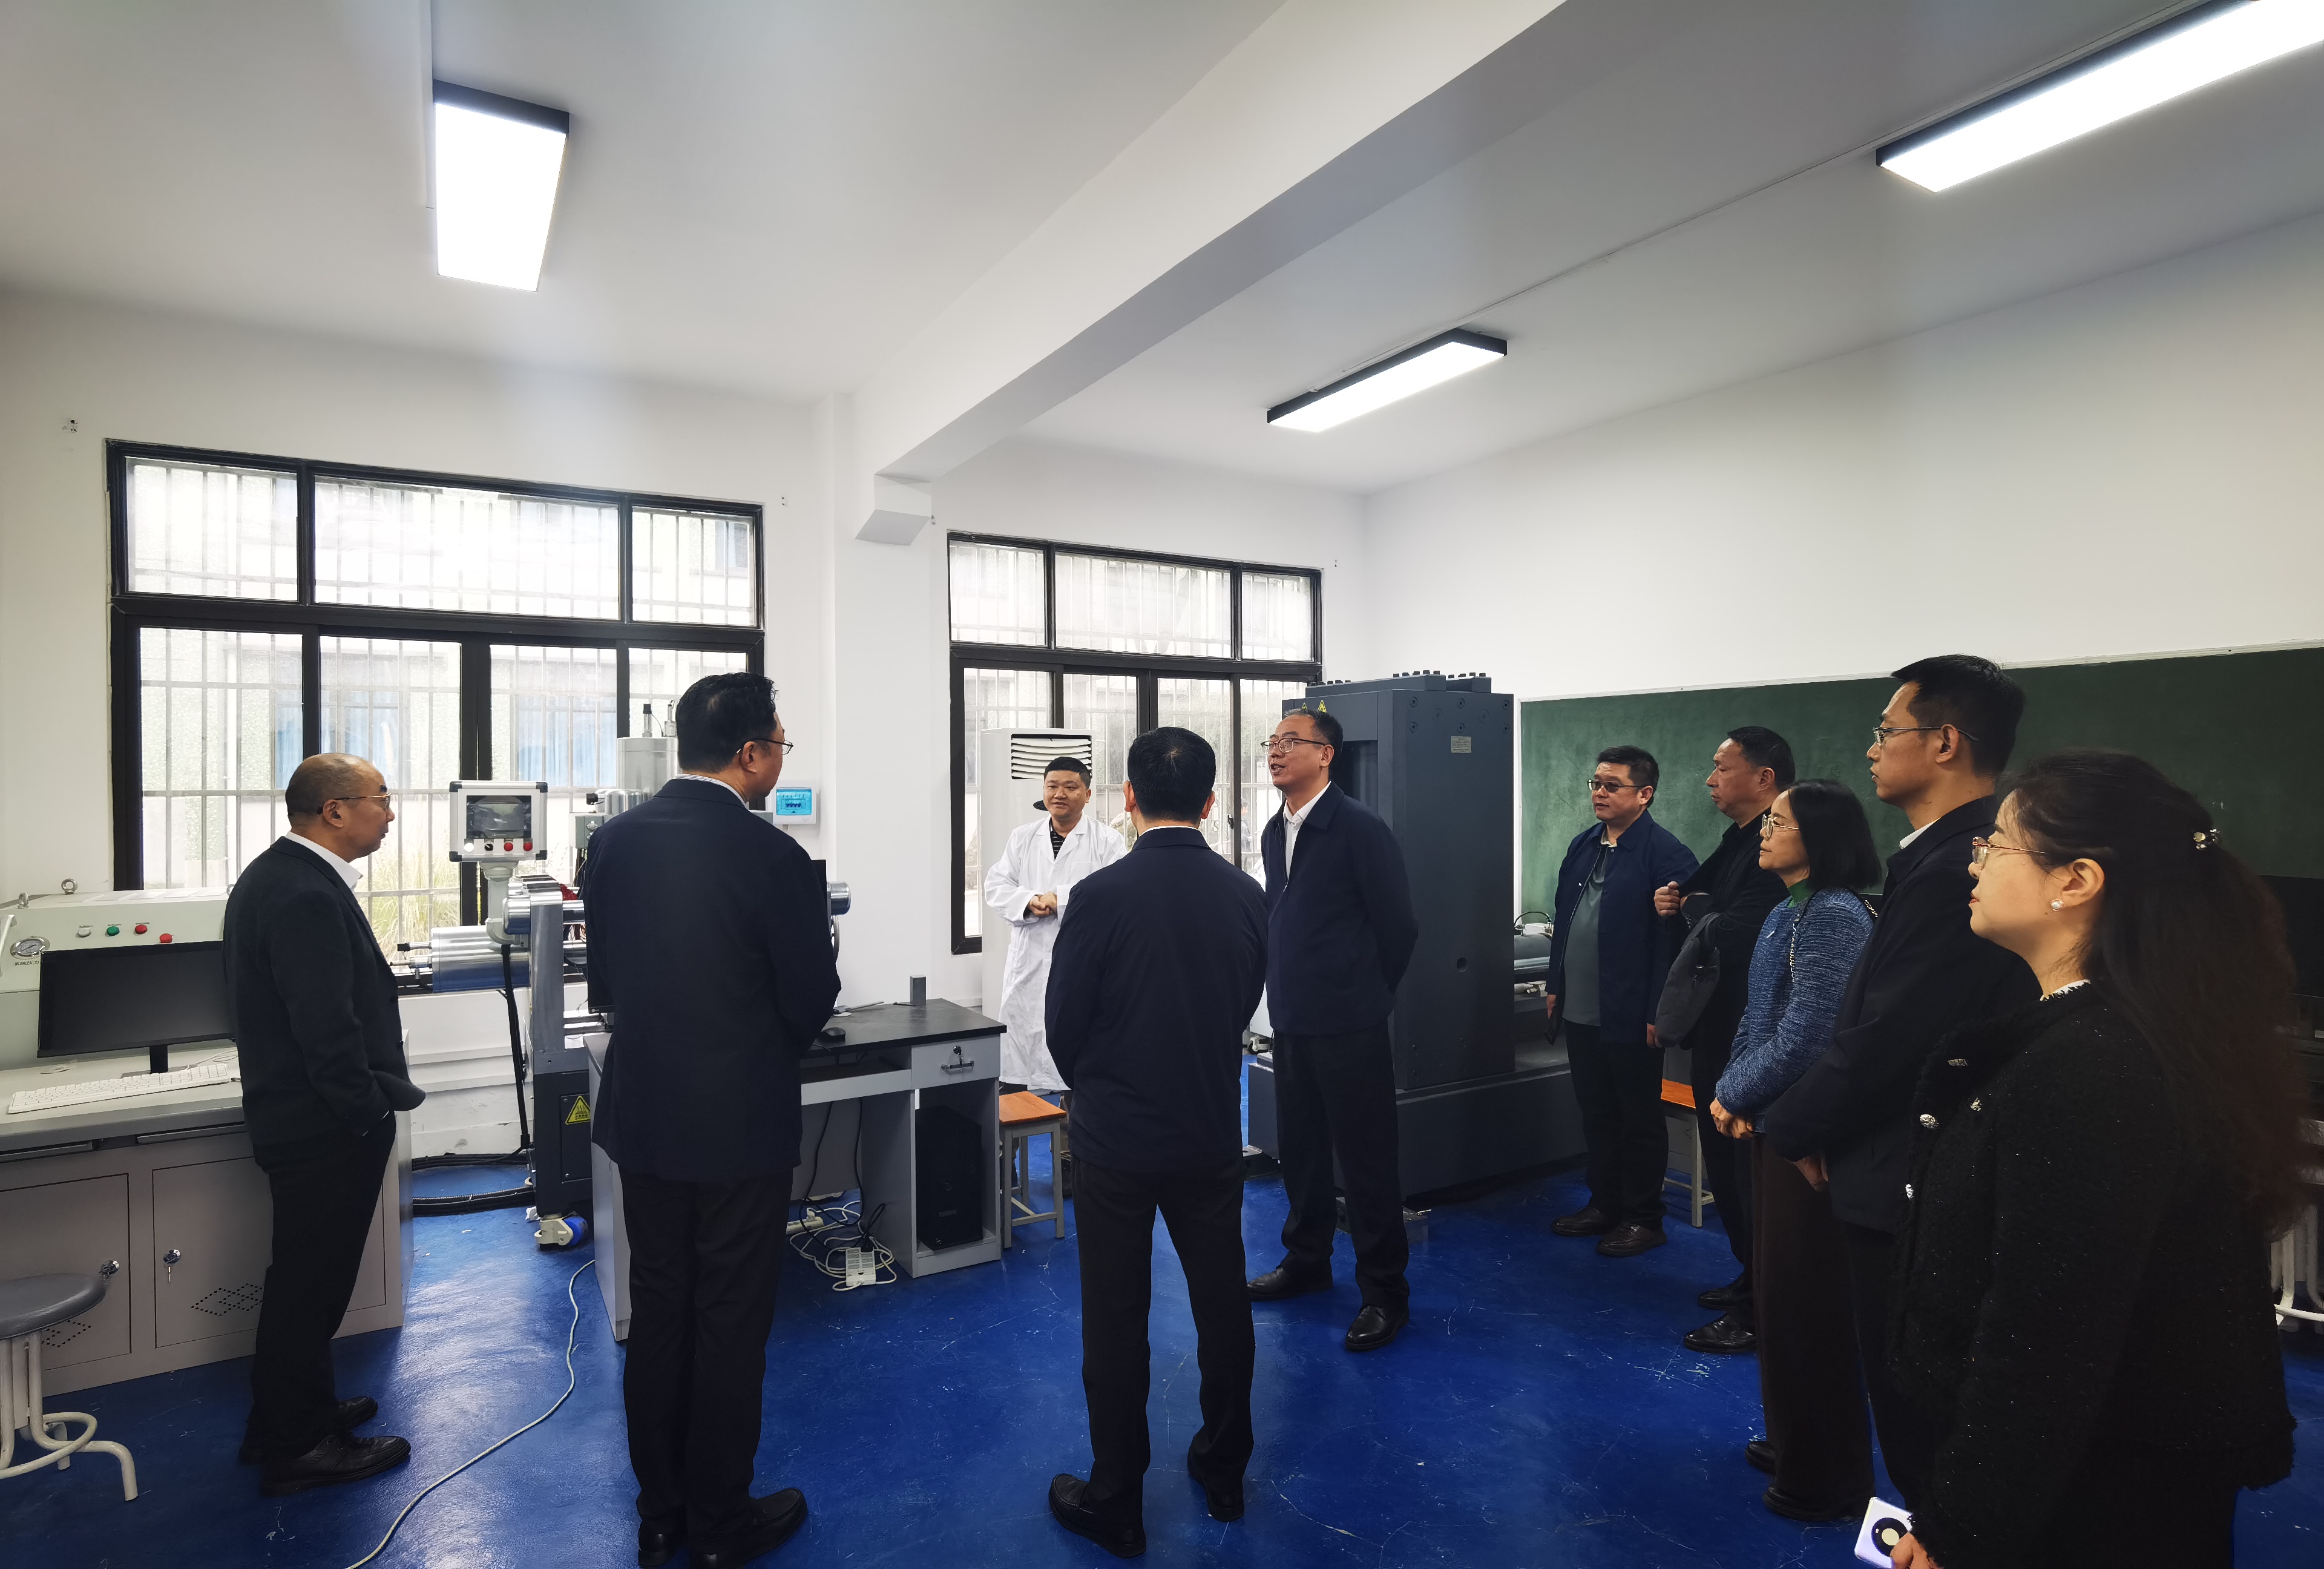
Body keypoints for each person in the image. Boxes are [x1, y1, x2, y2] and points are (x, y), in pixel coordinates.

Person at [1888, 751, 2303, 1569]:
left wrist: (1961, 1526)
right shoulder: (2128, 1032)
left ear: (2075, 881)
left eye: (1996, 844)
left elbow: (2044, 1337)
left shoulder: (2093, 1068)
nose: (1975, 862)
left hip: (2092, 1500)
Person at [1759, 655, 2037, 1508]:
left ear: (1945, 742)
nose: (1873, 749)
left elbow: (1891, 1037)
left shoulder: (1961, 868)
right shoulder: (1932, 858)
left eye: (1887, 731)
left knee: (1922, 1420)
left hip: (1910, 1177)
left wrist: (1792, 1125)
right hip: (1884, 1156)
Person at [585, 673, 841, 1569]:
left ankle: (661, 1515)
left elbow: (606, 982)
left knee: (660, 1309)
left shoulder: (613, 843)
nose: (780, 760)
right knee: (729, 1317)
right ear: (750, 754)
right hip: (738, 1125)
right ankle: (722, 1521)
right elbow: (811, 999)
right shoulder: (774, 857)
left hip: (647, 1115)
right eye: (780, 744)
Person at [1043, 726, 1269, 1559]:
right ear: (1209, 803)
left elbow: (1064, 1027)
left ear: (1128, 799)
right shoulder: (1245, 894)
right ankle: (1224, 1471)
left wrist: (1103, 1085)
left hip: (1117, 1140)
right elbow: (1242, 999)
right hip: (1208, 1129)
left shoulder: (1100, 895)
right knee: (1223, 1304)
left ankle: (1117, 1501)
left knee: (1115, 1317)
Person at [223, 752, 426, 1497]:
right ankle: (300, 1447)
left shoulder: (279, 877)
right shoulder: (304, 893)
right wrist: (365, 1113)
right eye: (381, 799)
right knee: (310, 1288)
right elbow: (327, 1031)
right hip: (323, 1128)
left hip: (302, 1119)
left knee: (302, 1282)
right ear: (335, 811)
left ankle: (284, 1419)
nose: (390, 814)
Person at [1705, 780, 1882, 1522]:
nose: (1765, 832)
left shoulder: (1835, 913)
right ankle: (1792, 1441)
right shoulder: (1788, 909)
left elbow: (1811, 1033)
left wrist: (1734, 1093)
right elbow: (1759, 1018)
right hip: (1771, 1120)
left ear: (1820, 837)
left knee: (1810, 1305)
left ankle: (1826, 1476)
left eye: (1778, 822)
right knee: (1779, 1298)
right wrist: (1735, 1091)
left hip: (1807, 1133)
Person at [1245, 705, 1421, 1352]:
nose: (1276, 751)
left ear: (1326, 755)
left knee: (1366, 1160)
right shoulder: (1276, 830)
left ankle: (1385, 1292)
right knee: (1303, 1152)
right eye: (1272, 742)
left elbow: (1398, 927)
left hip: (1350, 1024)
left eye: (1291, 742)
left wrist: (1366, 995)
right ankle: (1308, 1261)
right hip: (1292, 1020)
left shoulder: (1358, 828)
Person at [1654, 728, 1792, 1352]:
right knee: (1727, 1166)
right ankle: (1750, 1278)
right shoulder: (1739, 838)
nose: (1710, 780)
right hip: (1716, 1024)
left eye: (1721, 768)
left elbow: (1733, 931)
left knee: (1746, 1171)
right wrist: (1692, 908)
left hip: (1749, 1033)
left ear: (1764, 779)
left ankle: (1765, 1303)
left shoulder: (1790, 865)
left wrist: (1696, 912)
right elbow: (1694, 902)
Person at [1544, 746, 1699, 1257]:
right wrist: (1554, 984)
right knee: (1597, 1113)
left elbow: (1678, 947)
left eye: (1612, 785)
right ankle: (1605, 1204)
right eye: (1596, 783)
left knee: (1638, 1119)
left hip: (1632, 1014)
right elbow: (1564, 918)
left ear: (1645, 794)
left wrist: (1659, 1010)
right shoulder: (1584, 845)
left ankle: (1644, 1218)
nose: (1599, 793)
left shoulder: (1668, 855)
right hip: (1580, 1007)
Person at [985, 755, 1128, 1093]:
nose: (1059, 794)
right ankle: (1013, 1126)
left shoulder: (1108, 841)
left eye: (1070, 787)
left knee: (1076, 1068)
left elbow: (1115, 895)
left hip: (1081, 961)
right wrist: (1027, 901)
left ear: (1087, 795)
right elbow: (996, 885)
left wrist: (1059, 899)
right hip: (1029, 961)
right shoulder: (1022, 837)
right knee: (1016, 1067)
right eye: (1052, 786)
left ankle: (1071, 1127)